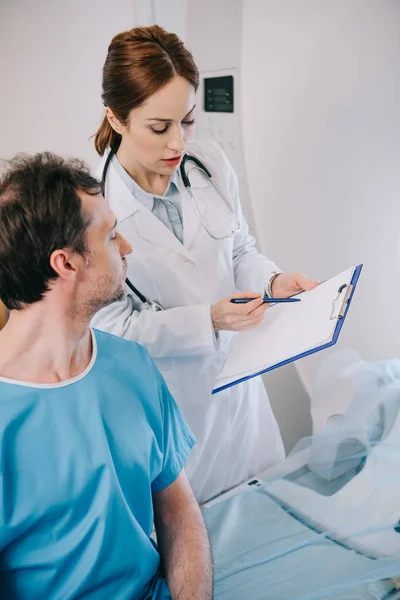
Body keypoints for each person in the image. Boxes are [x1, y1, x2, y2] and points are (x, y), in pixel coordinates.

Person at [92, 25, 318, 504]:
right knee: (200, 547)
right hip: (174, 410)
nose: (178, 142)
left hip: (243, 396)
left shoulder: (210, 165)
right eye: (160, 127)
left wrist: (275, 280)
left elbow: (239, 251)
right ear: (116, 117)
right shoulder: (94, 207)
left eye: (187, 121)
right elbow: (113, 327)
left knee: (269, 515)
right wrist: (209, 319)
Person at [0, 153, 212, 600]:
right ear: (67, 264)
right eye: (112, 235)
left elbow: (177, 513)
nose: (127, 247)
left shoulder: (132, 365)